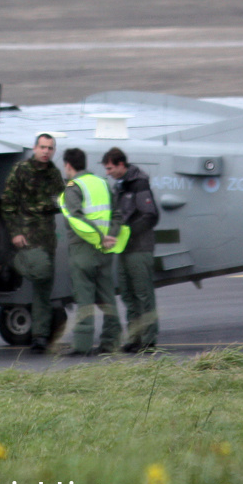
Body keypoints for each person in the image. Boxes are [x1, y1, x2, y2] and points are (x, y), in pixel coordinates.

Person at [0, 133, 64, 353]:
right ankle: (12, 260)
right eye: (43, 147)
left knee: (43, 288)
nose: (46, 151)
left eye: (50, 148)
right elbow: (8, 203)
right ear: (35, 148)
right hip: (27, 237)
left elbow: (60, 201)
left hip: (47, 239)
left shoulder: (54, 174)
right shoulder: (21, 170)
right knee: (41, 276)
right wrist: (15, 232)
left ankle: (39, 336)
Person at [58, 147, 123, 355]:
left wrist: (98, 236)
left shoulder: (73, 187)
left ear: (68, 165)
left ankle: (82, 345)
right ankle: (111, 342)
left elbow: (76, 218)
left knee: (84, 298)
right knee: (107, 298)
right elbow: (117, 214)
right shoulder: (102, 183)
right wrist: (110, 235)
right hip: (105, 251)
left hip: (84, 249)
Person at [103, 147, 160, 352]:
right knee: (127, 294)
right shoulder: (120, 186)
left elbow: (151, 215)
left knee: (143, 294)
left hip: (139, 248)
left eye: (110, 168)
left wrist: (128, 232)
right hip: (125, 249)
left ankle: (148, 339)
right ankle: (134, 338)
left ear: (120, 164)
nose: (107, 172)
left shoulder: (138, 183)